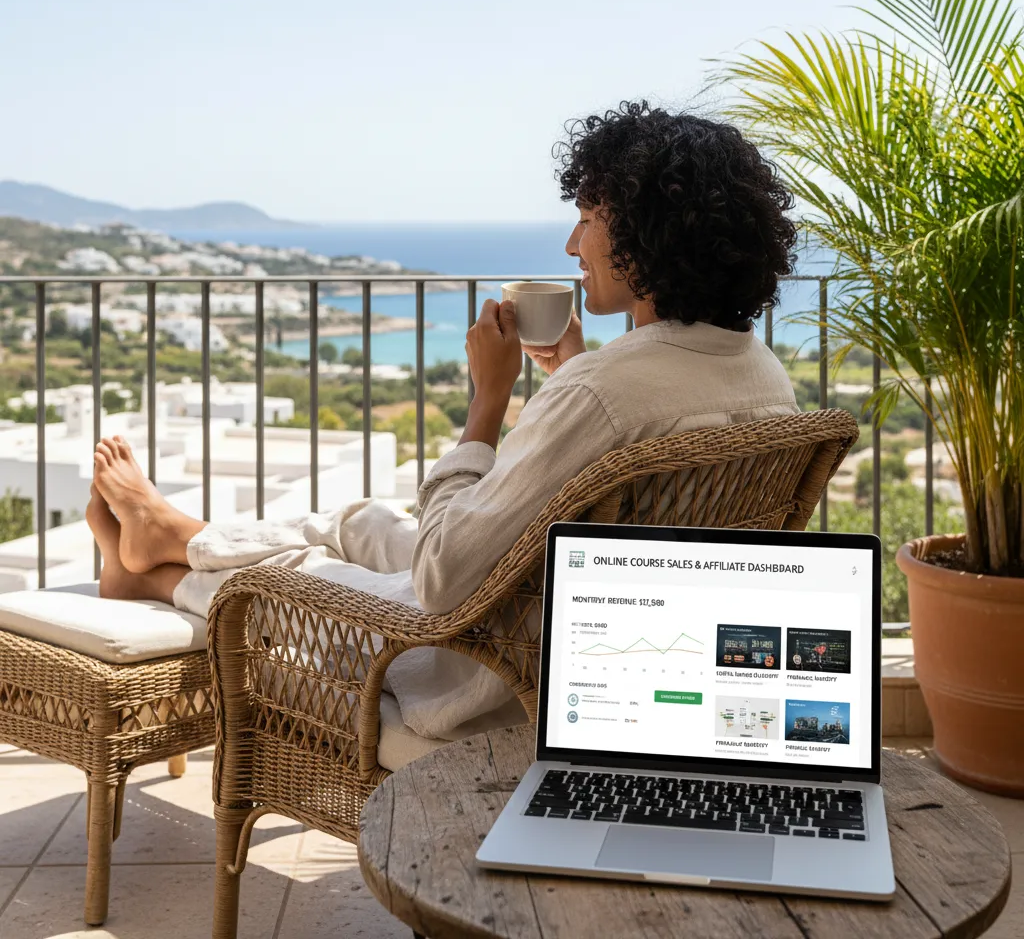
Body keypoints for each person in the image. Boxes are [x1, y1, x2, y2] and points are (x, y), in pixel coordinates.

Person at [86, 100, 801, 741]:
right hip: (573, 615)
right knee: (363, 521)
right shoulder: (760, 373)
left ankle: (146, 578)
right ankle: (175, 534)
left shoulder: (602, 392)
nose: (570, 245)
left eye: (588, 219)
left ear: (647, 236)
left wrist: (488, 400)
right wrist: (570, 372)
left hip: (485, 656)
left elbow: (439, 575)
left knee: (300, 572)